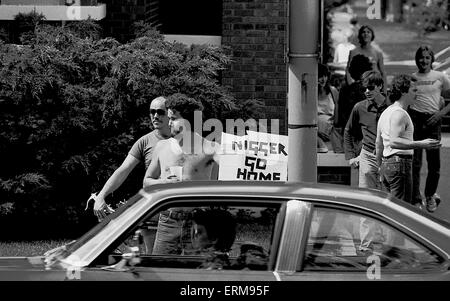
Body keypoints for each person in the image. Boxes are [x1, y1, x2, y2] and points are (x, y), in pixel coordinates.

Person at [143, 93, 220, 254]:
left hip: (198, 223)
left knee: (197, 274)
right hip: (168, 220)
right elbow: (147, 182)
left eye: (173, 118)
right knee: (160, 271)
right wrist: (164, 183)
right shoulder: (162, 147)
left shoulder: (210, 149)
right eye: (169, 118)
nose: (168, 123)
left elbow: (215, 191)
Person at [92, 96, 170, 220]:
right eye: (152, 112)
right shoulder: (144, 141)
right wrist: (101, 196)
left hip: (176, 209)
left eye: (160, 112)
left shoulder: (183, 140)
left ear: (170, 113)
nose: (155, 116)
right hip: (153, 210)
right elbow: (123, 170)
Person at [376, 74, 441, 205]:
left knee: (392, 208)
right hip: (400, 165)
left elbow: (379, 144)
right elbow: (394, 141)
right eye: (414, 90)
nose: (417, 93)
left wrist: (380, 167)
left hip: (388, 165)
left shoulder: (386, 112)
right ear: (404, 91)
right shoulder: (400, 114)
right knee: (401, 210)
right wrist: (420, 144)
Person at [408, 46, 450, 212]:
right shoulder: (413, 77)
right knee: (415, 163)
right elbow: (406, 99)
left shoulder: (440, 76)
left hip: (433, 121)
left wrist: (440, 114)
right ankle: (415, 199)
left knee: (434, 164)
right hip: (416, 120)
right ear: (416, 59)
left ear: (432, 59)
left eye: (427, 57)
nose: (423, 61)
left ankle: (430, 195)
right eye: (421, 57)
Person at [344, 70, 387, 189]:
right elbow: (348, 131)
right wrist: (351, 156)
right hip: (368, 155)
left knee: (388, 200)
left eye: (371, 88)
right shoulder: (359, 107)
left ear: (380, 86)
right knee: (367, 198)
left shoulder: (391, 107)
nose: (367, 91)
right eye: (364, 89)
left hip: (388, 157)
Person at [335, 53, 373, 152]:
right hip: (365, 134)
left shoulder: (345, 89)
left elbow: (340, 113)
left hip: (349, 131)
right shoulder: (369, 90)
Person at [345, 25, 387, 94]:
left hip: (374, 88)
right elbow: (348, 71)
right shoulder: (354, 52)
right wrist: (351, 86)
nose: (366, 34)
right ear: (360, 35)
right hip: (359, 88)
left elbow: (383, 73)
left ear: (372, 35)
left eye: (368, 32)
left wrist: (385, 91)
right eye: (363, 32)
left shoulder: (377, 53)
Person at [317, 63, 342, 153]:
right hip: (316, 128)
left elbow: (338, 108)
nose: (323, 79)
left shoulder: (332, 91)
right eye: (320, 76)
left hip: (331, 127)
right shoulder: (310, 93)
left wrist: (336, 123)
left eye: (325, 76)